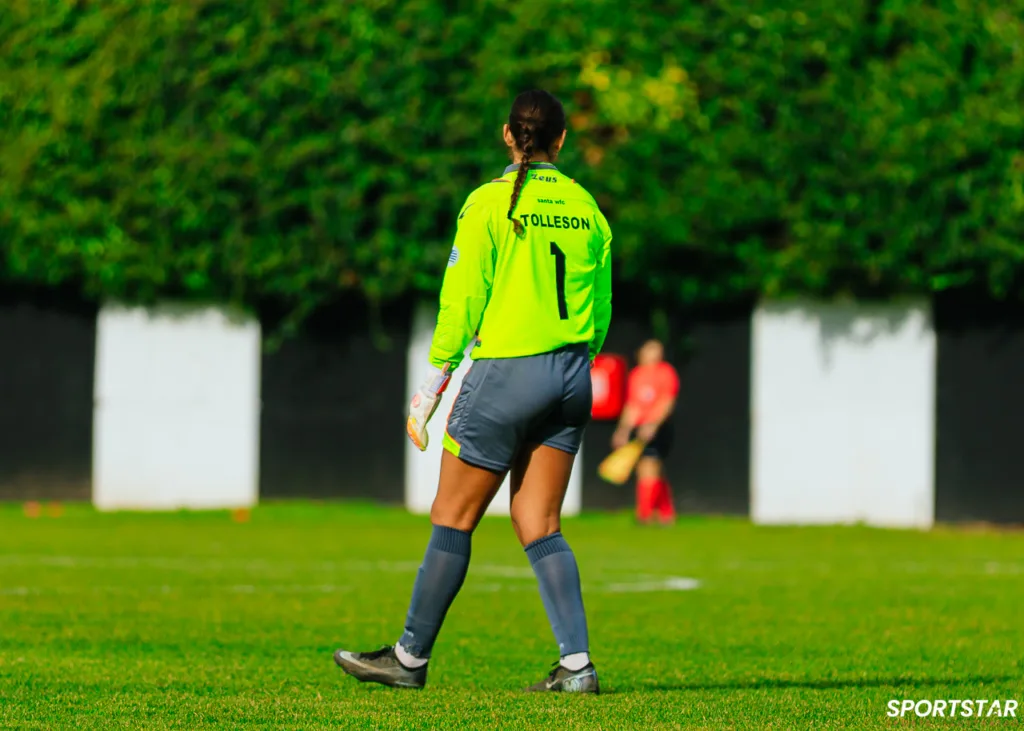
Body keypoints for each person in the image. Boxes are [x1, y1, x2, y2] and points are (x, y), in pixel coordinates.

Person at [333, 90, 613, 693]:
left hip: (507, 374)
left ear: (508, 137)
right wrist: (571, 363)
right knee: (540, 522)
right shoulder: (587, 206)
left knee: (453, 515)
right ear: (561, 141)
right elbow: (602, 308)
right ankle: (576, 666)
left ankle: (407, 659)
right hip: (571, 374)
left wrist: (434, 380)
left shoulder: (488, 202)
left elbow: (462, 300)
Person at [611, 339, 679, 524]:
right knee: (650, 469)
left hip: (658, 428)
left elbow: (666, 402)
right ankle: (666, 513)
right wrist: (623, 430)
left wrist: (653, 425)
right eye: (651, 349)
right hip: (640, 429)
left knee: (649, 467)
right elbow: (632, 406)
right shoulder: (637, 375)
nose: (655, 354)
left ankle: (645, 514)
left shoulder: (666, 373)